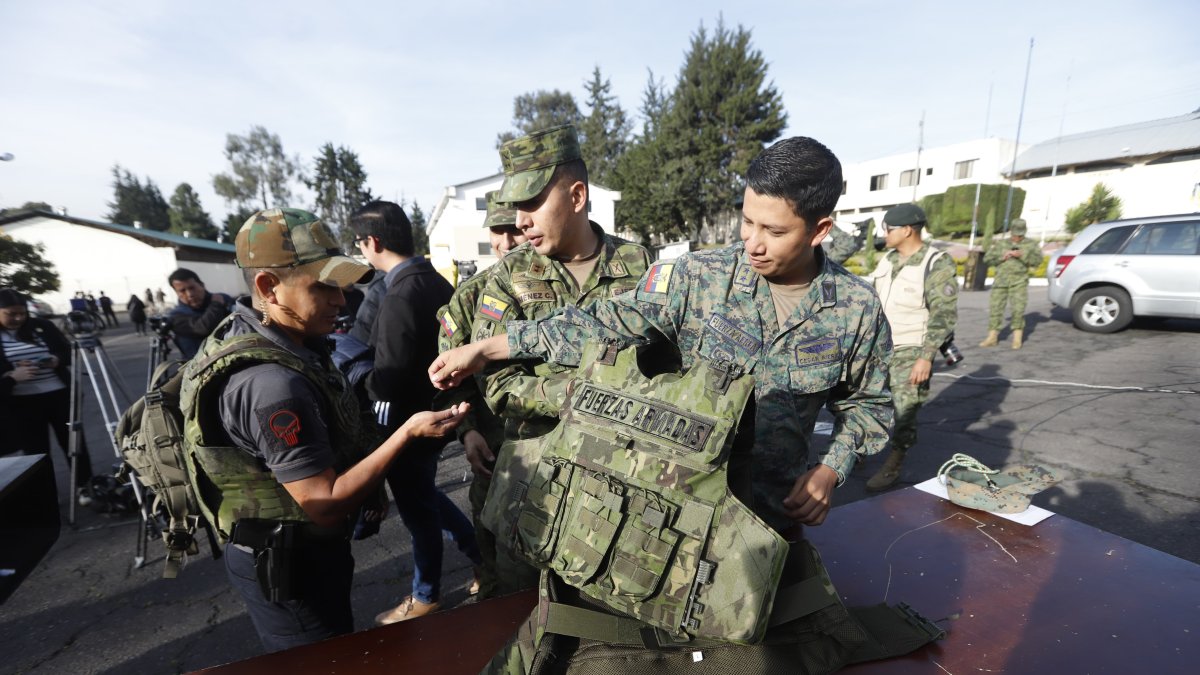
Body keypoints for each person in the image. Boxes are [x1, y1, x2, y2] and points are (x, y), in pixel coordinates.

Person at [431, 137, 895, 671]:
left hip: (767, 522)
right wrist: (493, 345)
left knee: (753, 655)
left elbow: (870, 406)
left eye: (774, 230)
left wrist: (829, 471)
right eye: (747, 222)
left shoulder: (855, 310)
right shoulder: (699, 278)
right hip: (679, 521)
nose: (753, 243)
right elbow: (604, 322)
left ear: (820, 229)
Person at [181, 207, 468, 653]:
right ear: (267, 287)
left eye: (341, 285)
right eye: (323, 286)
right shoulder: (273, 386)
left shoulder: (274, 338)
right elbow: (324, 503)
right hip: (288, 567)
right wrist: (406, 434)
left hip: (302, 554)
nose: (341, 300)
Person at [472, 124, 652, 594]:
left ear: (576, 196)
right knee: (524, 624)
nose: (522, 220)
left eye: (532, 203)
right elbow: (498, 384)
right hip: (535, 494)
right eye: (516, 207)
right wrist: (581, 394)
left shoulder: (638, 265)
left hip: (622, 490)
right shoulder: (508, 278)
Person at [348, 200, 483, 625]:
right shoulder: (437, 283)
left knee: (418, 513)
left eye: (360, 243)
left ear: (372, 241)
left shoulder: (398, 293)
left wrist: (375, 430)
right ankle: (481, 556)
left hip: (411, 424)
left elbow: (386, 379)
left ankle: (425, 596)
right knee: (424, 499)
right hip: (438, 414)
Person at [433, 190, 527, 600]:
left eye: (513, 231)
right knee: (497, 571)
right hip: (495, 455)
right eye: (497, 232)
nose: (505, 243)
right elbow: (449, 369)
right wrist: (467, 430)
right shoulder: (473, 295)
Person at [864, 204, 958, 491]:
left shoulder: (936, 262)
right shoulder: (888, 259)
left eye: (888, 229)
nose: (884, 234)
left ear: (906, 230)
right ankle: (859, 450)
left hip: (911, 348)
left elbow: (944, 314)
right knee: (865, 400)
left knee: (905, 409)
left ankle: (894, 463)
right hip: (878, 346)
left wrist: (926, 357)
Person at [0, 288, 95, 505]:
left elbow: (66, 350)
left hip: (59, 393)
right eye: (10, 314)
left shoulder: (42, 326)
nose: (18, 318)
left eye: (22, 313)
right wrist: (12, 376)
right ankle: (43, 495)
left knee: (73, 441)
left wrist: (55, 359)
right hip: (21, 402)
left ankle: (85, 485)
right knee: (35, 450)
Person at [980, 218, 1043, 349]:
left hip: (1019, 281)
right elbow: (987, 259)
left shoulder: (1031, 245)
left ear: (1024, 233)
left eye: (1020, 235)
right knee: (995, 309)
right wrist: (1002, 257)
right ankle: (992, 337)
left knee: (1018, 310)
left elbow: (1038, 261)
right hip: (1000, 281)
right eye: (1015, 234)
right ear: (1011, 232)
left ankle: (1017, 338)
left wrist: (1022, 256)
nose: (1017, 238)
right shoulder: (1001, 244)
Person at [167, 268, 234, 359]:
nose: (190, 294)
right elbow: (202, 328)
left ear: (202, 285)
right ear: (176, 293)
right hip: (198, 367)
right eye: (182, 291)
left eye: (192, 288)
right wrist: (216, 305)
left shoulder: (224, 299)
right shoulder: (176, 316)